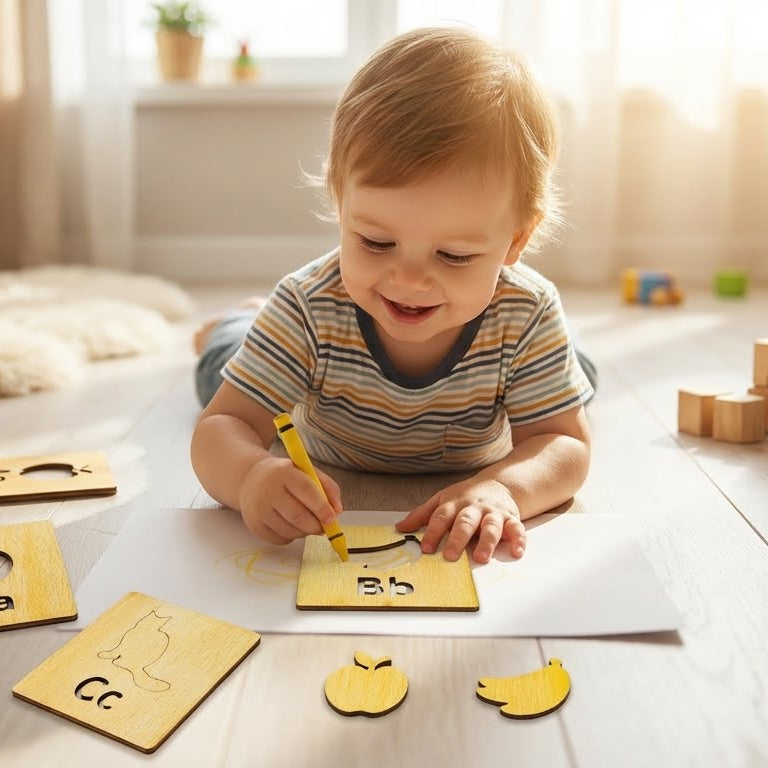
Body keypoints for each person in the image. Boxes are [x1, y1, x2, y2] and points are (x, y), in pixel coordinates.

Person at [190, 26, 596, 565]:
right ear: (341, 205)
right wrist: (249, 476)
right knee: (220, 362)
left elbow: (564, 446)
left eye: (453, 256)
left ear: (515, 241)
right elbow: (222, 426)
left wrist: (506, 488)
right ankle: (233, 323)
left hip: (510, 362)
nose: (408, 281)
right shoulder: (306, 306)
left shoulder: (528, 311)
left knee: (580, 378)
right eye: (376, 242)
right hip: (297, 373)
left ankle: (566, 358)